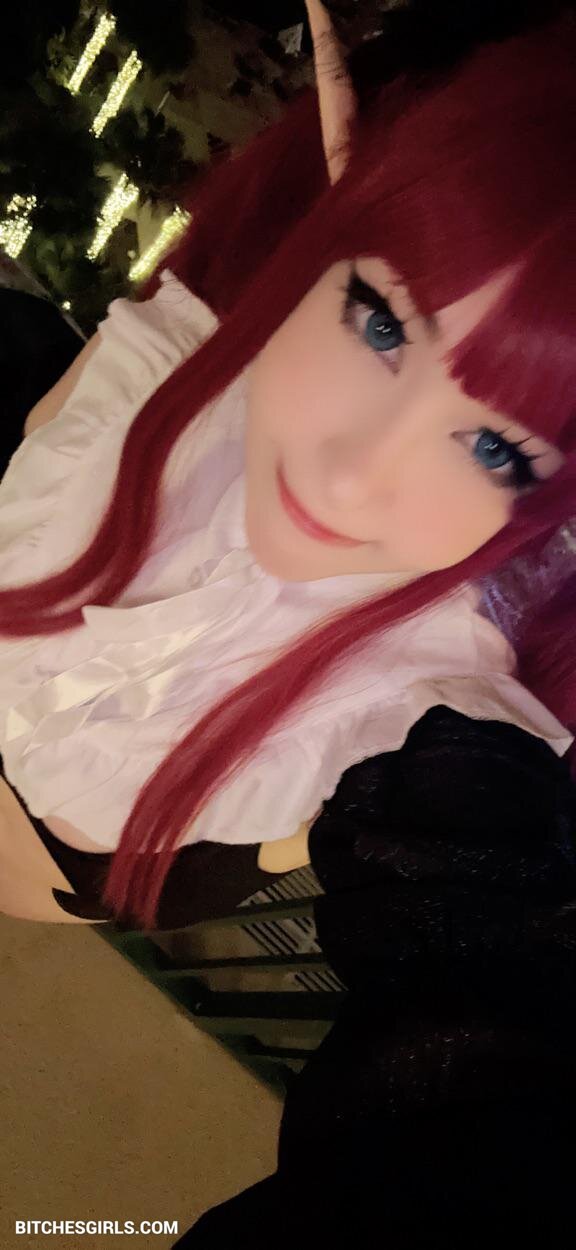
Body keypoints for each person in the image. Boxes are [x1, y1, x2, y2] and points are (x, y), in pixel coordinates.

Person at [1, 0, 576, 1237]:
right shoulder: (160, 365)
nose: (354, 476)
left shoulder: (432, 711)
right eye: (381, 321)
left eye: (493, 445)